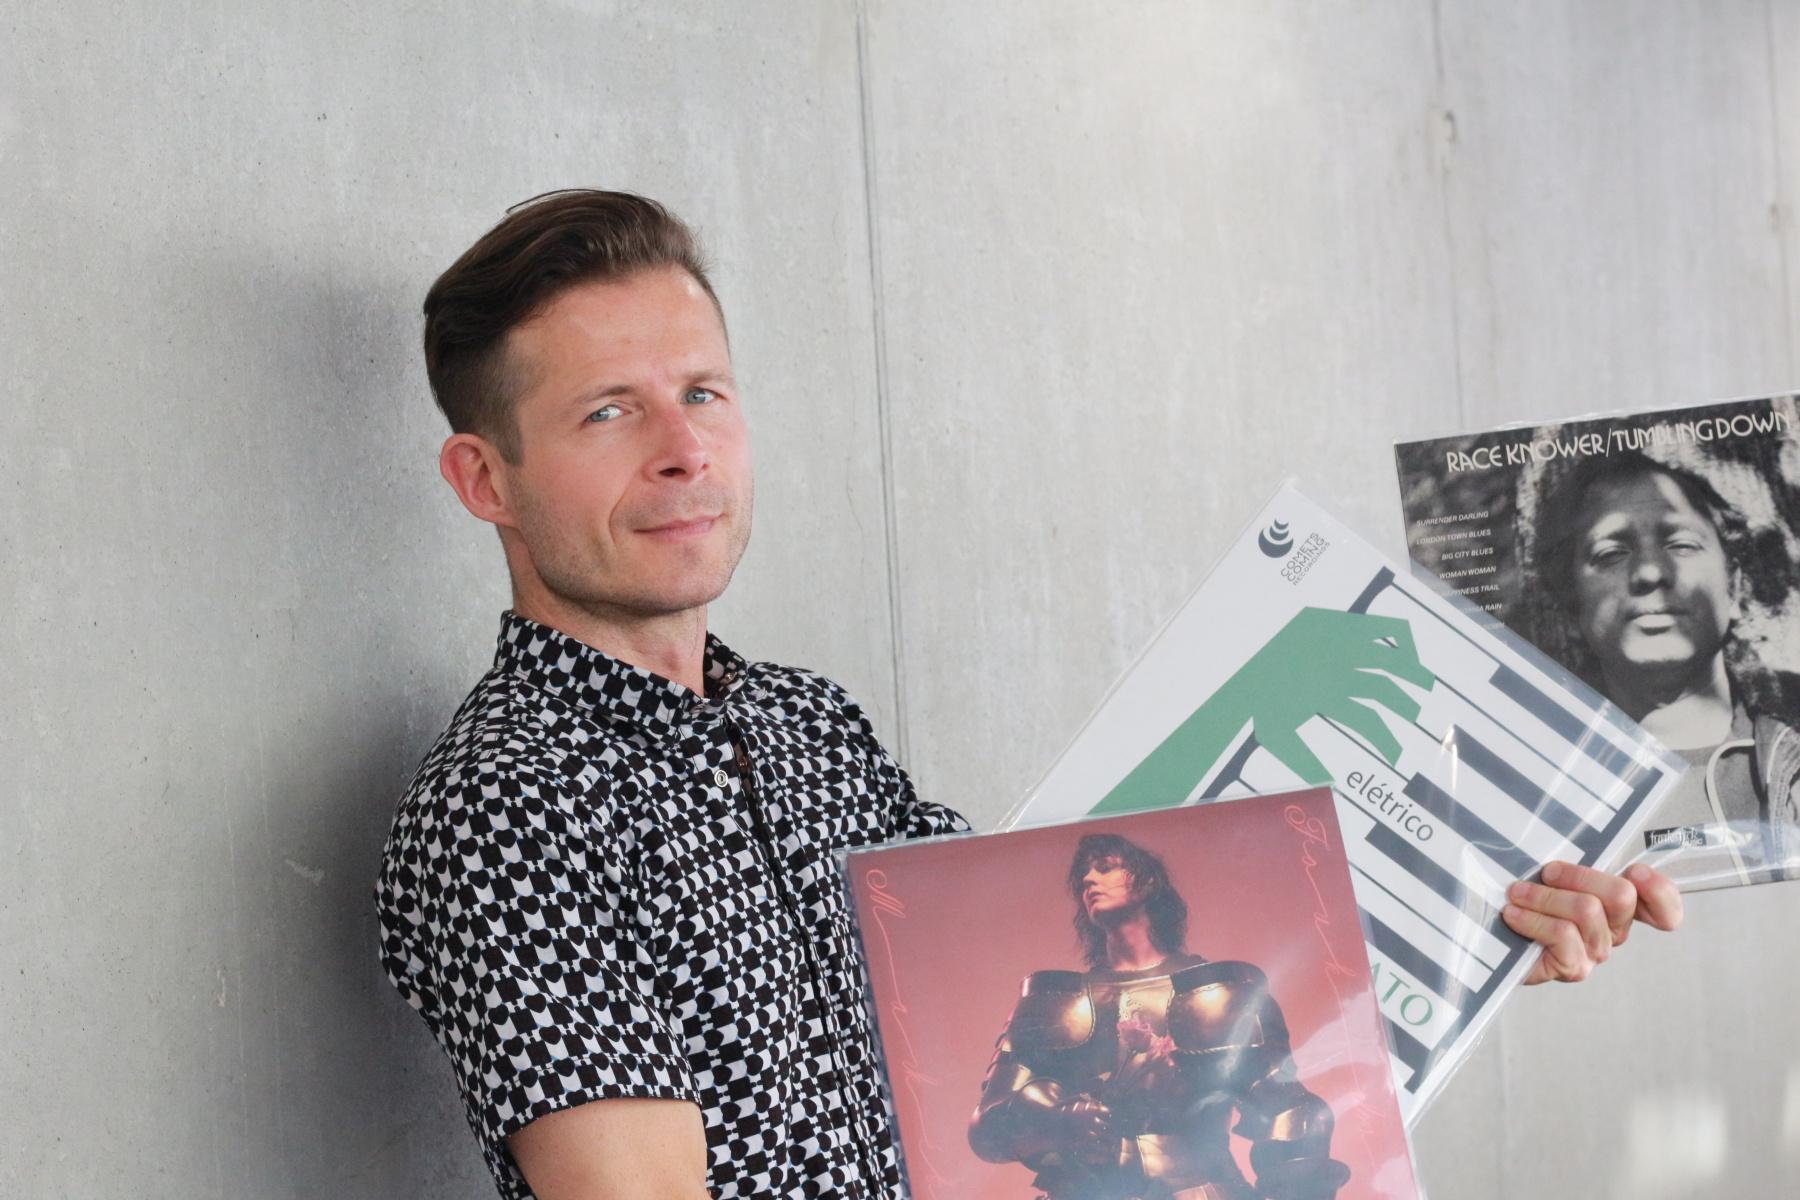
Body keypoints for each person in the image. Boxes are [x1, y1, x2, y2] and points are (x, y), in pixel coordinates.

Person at [374, 190, 1683, 1200]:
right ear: (486, 480)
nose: (684, 450)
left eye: (703, 392)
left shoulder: (807, 726)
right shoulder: (509, 806)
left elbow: (1065, 978)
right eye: (609, 413)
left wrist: (1477, 926)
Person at [969, 834, 1348, 1200]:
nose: (1089, 879)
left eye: (1105, 867)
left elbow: (1290, 1109)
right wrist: (1057, 1119)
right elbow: (988, 1125)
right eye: (1085, 874)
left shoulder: (1221, 994)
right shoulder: (1052, 1002)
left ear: (1147, 882)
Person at [1530, 451, 1800, 882]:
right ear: (1573, 608)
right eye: (1611, 553)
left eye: (1681, 544)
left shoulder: (1791, 760)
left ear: (1734, 587)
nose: (1650, 572)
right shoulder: (1537, 792)